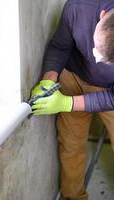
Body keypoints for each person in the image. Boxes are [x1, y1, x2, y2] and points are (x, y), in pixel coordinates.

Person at [31, 0, 114, 199]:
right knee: (71, 144)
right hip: (73, 76)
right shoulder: (78, 7)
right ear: (102, 15)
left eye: (108, 60)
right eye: (97, 46)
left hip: (110, 90)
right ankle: (73, 197)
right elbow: (60, 46)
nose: (96, 58)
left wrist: (67, 103)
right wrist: (48, 79)